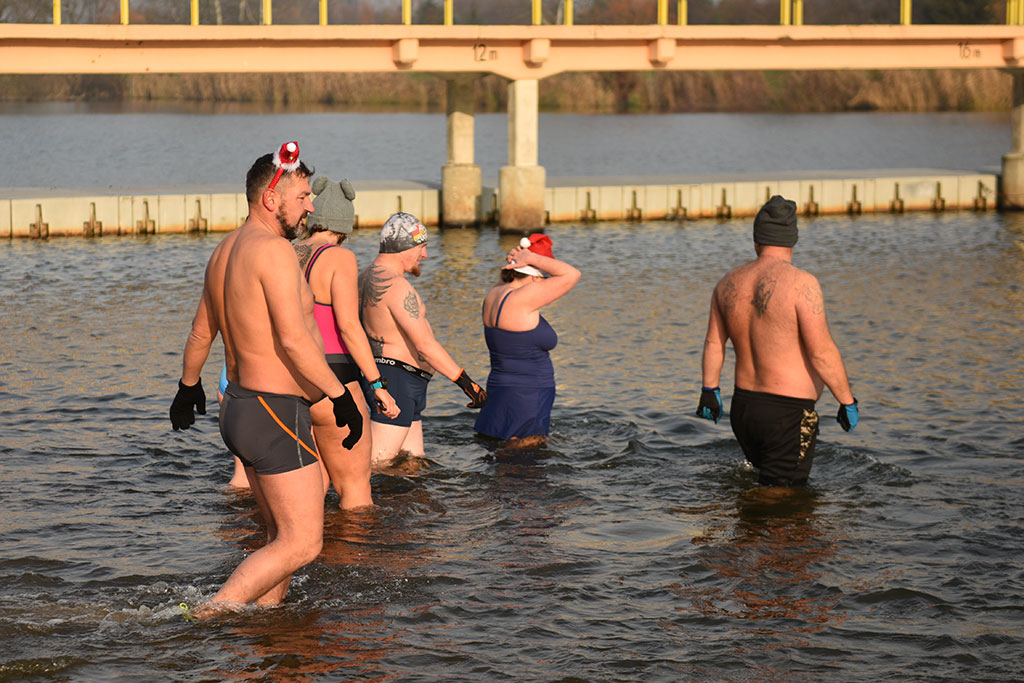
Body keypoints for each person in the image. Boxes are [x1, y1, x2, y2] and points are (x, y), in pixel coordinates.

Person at [168, 142, 363, 614]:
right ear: (271, 199)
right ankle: (208, 615)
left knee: (279, 537)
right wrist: (341, 397)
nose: (311, 205)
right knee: (303, 543)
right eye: (302, 196)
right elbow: (295, 341)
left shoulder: (224, 250)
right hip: (273, 409)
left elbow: (200, 331)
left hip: (238, 406)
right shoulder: (274, 251)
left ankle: (266, 625)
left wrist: (188, 387)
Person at [696, 194, 859, 487]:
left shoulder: (728, 283)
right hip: (787, 414)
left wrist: (710, 390)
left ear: (756, 240)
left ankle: (744, 531)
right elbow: (821, 352)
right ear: (792, 240)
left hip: (744, 410)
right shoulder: (802, 284)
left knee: (763, 489)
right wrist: (846, 400)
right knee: (782, 503)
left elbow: (714, 344)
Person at [292, 175, 400, 509]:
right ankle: (356, 560)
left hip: (290, 379)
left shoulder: (284, 251)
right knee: (355, 492)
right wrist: (377, 384)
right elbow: (349, 328)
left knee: (315, 487)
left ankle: (308, 554)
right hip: (334, 376)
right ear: (345, 224)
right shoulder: (339, 258)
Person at [357, 212, 488, 466]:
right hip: (396, 383)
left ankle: (401, 507)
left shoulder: (365, 275)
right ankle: (353, 507)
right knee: (376, 466)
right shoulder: (396, 285)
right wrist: (467, 384)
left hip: (399, 379)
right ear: (405, 247)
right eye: (422, 247)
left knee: (412, 465)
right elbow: (424, 345)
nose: (425, 255)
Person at [474, 234, 580, 446]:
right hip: (528, 393)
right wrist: (531, 257)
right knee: (524, 463)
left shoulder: (494, 293)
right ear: (534, 276)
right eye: (543, 279)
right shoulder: (524, 297)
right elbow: (572, 274)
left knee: (498, 450)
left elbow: (507, 276)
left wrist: (518, 258)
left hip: (499, 387)